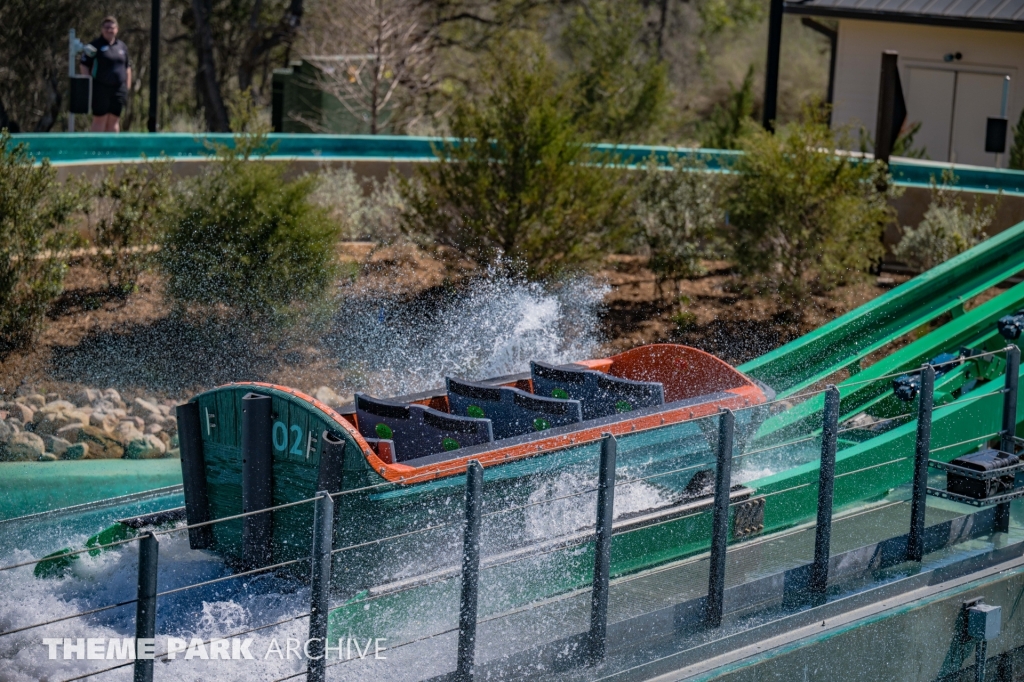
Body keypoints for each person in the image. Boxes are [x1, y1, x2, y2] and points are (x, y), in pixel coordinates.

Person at [78, 16, 132, 132]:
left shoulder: (122, 46)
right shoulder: (94, 46)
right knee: (99, 119)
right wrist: (88, 84)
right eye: (106, 27)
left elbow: (128, 67)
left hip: (118, 89)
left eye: (112, 28)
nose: (109, 30)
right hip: (100, 88)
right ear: (102, 29)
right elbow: (84, 65)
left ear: (117, 29)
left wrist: (127, 87)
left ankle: (112, 149)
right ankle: (96, 149)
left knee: (114, 120)